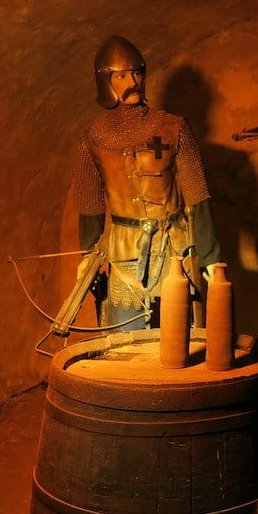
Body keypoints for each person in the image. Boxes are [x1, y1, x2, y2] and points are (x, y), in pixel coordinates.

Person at [72, 34, 220, 328]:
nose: (133, 82)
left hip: (175, 250)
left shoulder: (174, 128)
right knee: (126, 349)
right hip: (124, 254)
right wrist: (88, 254)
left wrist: (210, 256)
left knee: (179, 345)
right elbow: (90, 206)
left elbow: (197, 196)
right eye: (122, 76)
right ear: (106, 83)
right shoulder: (93, 139)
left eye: (137, 73)